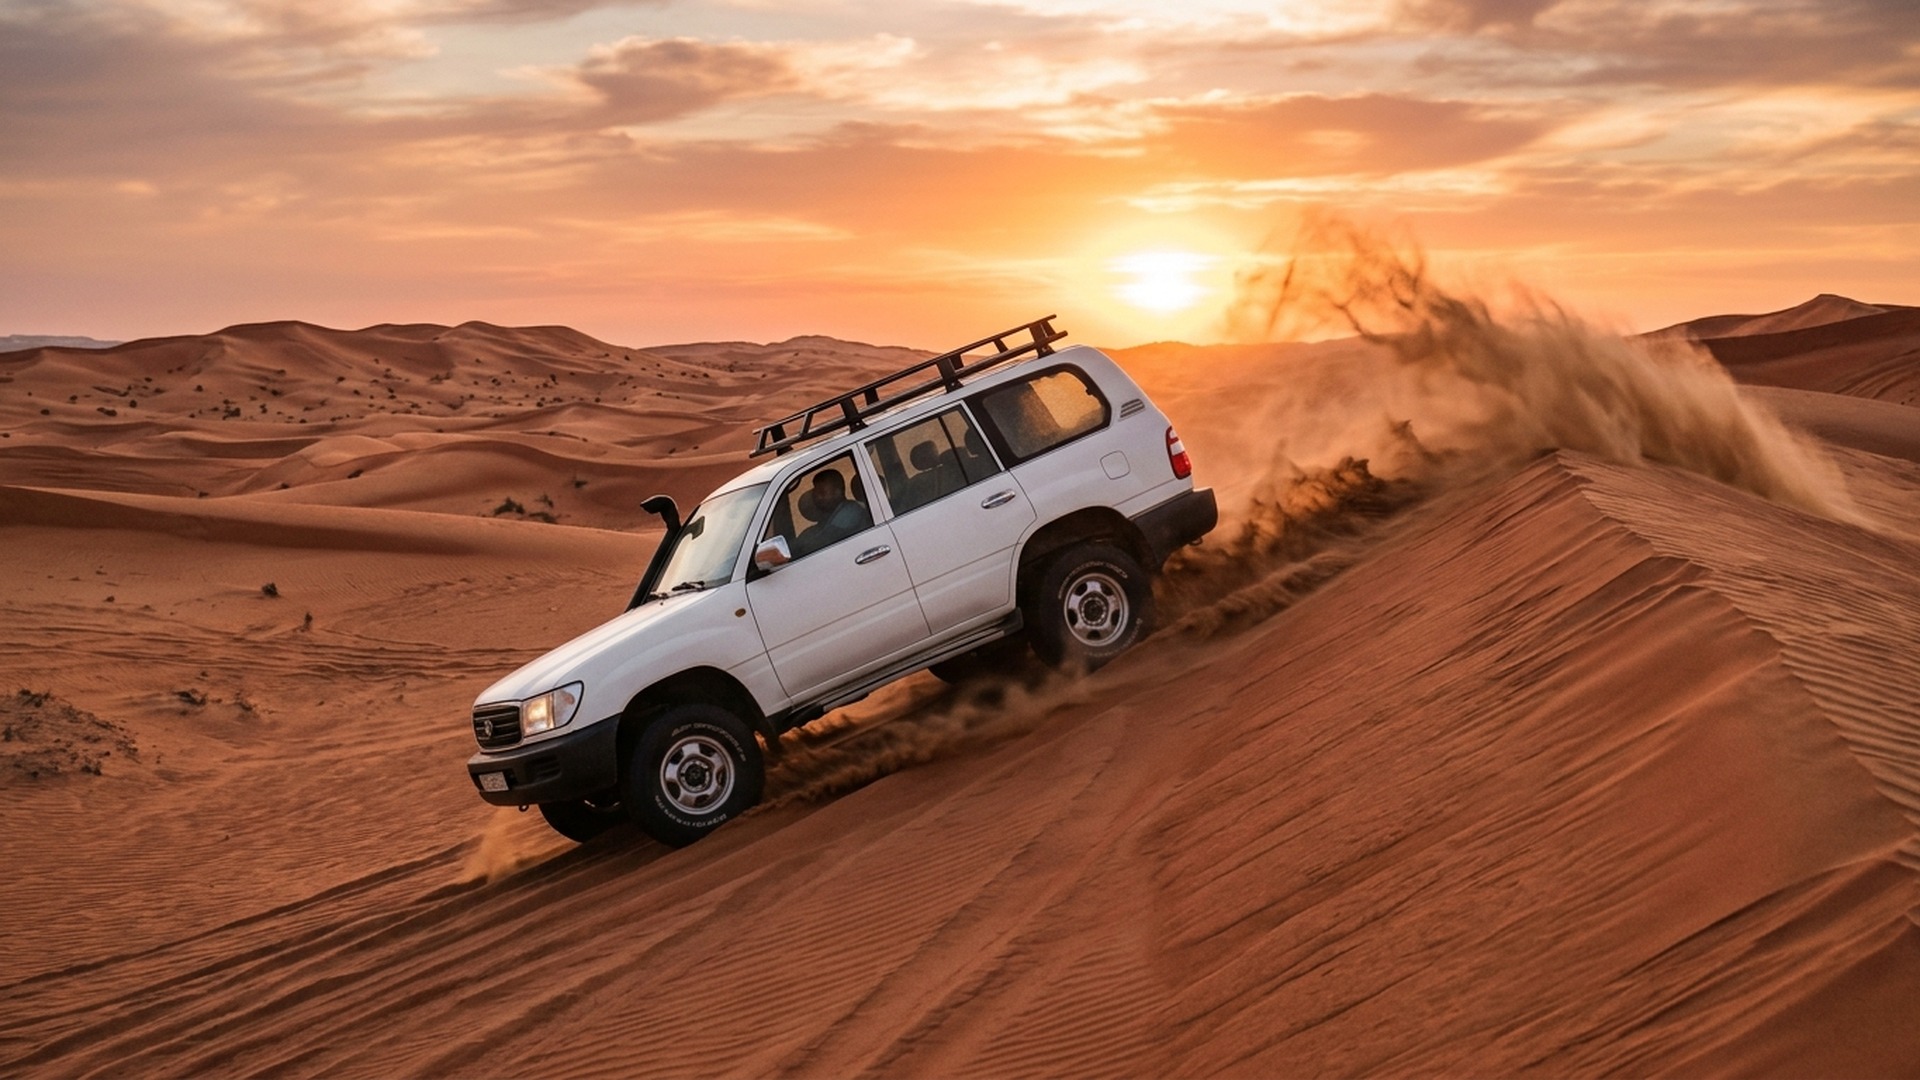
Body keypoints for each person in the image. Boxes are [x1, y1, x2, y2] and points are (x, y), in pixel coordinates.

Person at [795, 469, 871, 555]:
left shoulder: (850, 511)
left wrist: (798, 549)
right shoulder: (830, 514)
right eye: (815, 493)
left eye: (822, 493)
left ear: (838, 493)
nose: (818, 498)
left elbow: (825, 538)